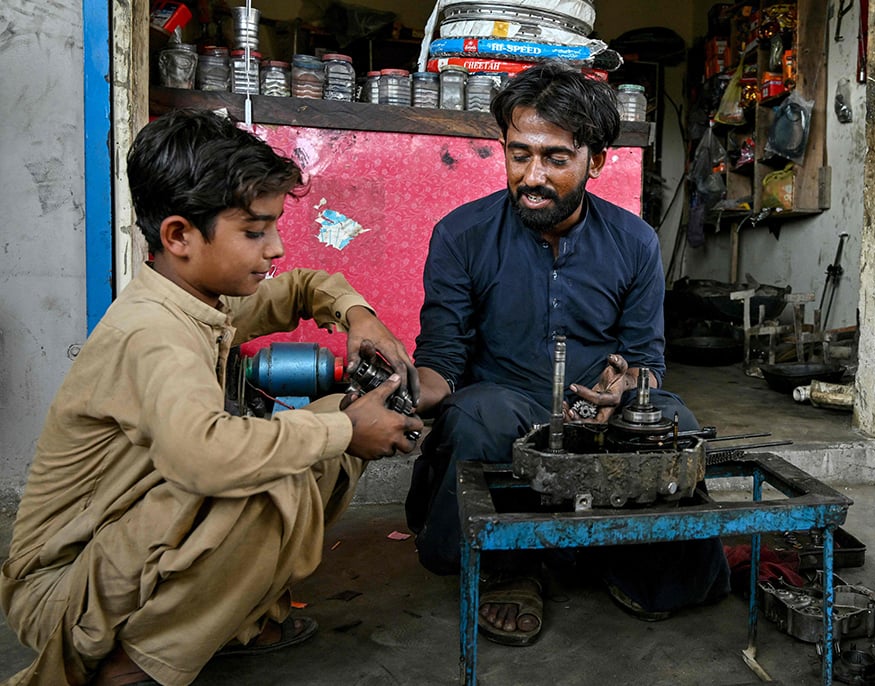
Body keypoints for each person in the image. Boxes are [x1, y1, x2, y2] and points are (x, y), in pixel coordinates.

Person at [0, 109, 424, 686]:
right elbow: (205, 457)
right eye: (253, 232)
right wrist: (349, 430)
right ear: (178, 236)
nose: (274, 248)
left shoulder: (198, 298)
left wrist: (358, 315)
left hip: (117, 552)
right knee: (275, 472)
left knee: (322, 430)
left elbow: (302, 286)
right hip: (61, 590)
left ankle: (234, 618)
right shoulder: (152, 333)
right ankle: (132, 669)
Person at [405, 61, 730, 646]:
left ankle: (630, 564)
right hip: (501, 408)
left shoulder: (634, 242)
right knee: (481, 416)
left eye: (555, 158)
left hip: (596, 418)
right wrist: (404, 395)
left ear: (595, 161)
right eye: (519, 154)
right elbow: (441, 356)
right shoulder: (462, 234)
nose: (532, 176)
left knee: (671, 421)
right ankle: (510, 568)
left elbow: (645, 358)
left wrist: (629, 390)